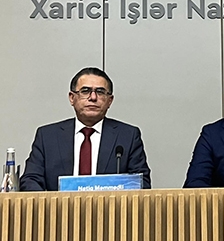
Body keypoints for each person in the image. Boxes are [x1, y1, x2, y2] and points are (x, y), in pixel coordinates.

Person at [20, 67, 151, 190]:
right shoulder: (48, 136)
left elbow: (141, 183)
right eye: (85, 91)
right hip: (60, 207)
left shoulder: (128, 136)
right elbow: (30, 180)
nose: (93, 97)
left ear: (109, 101)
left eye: (100, 92)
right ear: (72, 98)